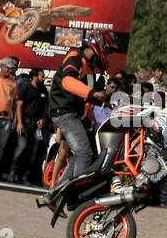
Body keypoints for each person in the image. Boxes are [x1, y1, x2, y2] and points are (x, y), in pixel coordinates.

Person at [45, 35, 112, 181]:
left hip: (72, 114)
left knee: (79, 154)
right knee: (83, 153)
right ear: (98, 47)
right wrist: (92, 93)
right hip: (65, 113)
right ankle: (73, 193)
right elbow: (68, 81)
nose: (106, 55)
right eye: (107, 51)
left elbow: (88, 96)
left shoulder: (87, 66)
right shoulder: (75, 57)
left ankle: (57, 192)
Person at [9, 67, 48, 184]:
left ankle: (25, 175)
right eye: (42, 75)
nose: (44, 77)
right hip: (25, 122)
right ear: (35, 77)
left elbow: (46, 106)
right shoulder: (25, 88)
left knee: (33, 151)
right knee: (22, 147)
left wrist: (43, 118)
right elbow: (19, 106)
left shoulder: (44, 90)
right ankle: (12, 172)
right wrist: (19, 123)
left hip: (37, 126)